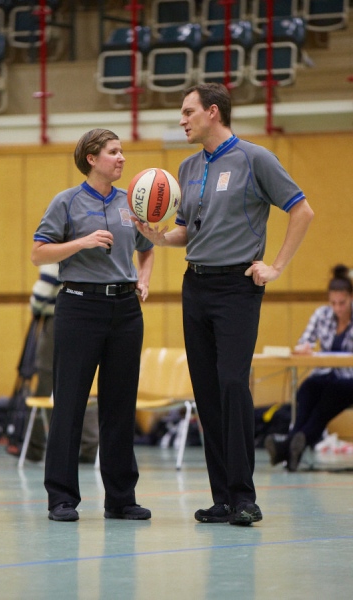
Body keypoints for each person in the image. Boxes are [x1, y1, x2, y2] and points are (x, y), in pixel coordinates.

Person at [134, 83, 314, 526]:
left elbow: (302, 211)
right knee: (207, 392)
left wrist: (276, 266)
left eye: (188, 112)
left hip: (237, 288)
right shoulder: (188, 166)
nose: (182, 120)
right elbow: (186, 231)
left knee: (233, 384)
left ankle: (245, 497)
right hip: (195, 285)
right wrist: (159, 237)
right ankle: (222, 500)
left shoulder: (255, 159)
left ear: (213, 112)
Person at [31, 128, 154, 522]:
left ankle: (121, 498)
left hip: (125, 310)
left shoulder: (131, 202)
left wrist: (144, 277)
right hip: (79, 307)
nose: (121, 158)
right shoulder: (66, 202)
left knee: (120, 405)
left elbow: (147, 248)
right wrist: (80, 243)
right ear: (91, 158)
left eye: (122, 151)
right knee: (70, 403)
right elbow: (38, 253)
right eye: (113, 151)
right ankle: (61, 498)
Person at [265, 264, 353, 472]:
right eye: (333, 303)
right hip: (325, 375)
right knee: (307, 389)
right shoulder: (322, 314)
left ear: (351, 298)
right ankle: (295, 445)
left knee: (329, 395)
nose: (338, 308)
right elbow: (304, 341)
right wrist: (304, 347)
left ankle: (287, 446)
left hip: (349, 379)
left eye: (342, 303)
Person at [25, 263, 99, 464]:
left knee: (47, 381)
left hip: (58, 319)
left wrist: (35, 306)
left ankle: (35, 447)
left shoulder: (56, 249)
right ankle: (89, 444)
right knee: (79, 382)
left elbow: (44, 288)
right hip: (81, 317)